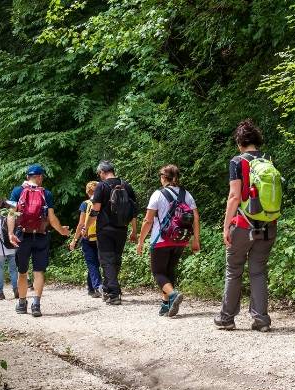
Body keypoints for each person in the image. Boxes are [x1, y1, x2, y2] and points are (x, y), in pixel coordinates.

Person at [214, 119, 278, 332]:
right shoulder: (268, 160)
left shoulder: (237, 161)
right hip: (268, 224)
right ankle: (261, 320)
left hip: (243, 225)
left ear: (240, 142)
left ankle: (227, 318)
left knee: (234, 270)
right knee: (258, 271)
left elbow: (234, 196)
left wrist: (225, 226)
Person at [136, 165, 201, 317]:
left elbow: (148, 220)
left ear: (164, 177)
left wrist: (140, 241)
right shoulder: (187, 194)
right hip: (181, 239)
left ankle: (172, 295)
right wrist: (196, 239)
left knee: (158, 272)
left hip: (161, 239)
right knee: (169, 270)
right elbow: (196, 217)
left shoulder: (158, 194)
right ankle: (166, 304)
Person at [7, 164, 70, 317]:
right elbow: (51, 218)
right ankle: (36, 304)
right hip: (41, 235)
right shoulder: (46, 193)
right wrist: (62, 230)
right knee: (39, 271)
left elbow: (10, 214)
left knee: (22, 272)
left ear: (28, 176)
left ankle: (22, 303)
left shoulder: (17, 191)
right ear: (40, 177)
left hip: (22, 235)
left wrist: (10, 233)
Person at [89, 160, 138, 305]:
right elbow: (133, 211)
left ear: (103, 172)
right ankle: (107, 288)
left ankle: (114, 293)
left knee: (106, 260)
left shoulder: (101, 186)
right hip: (122, 228)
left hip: (105, 229)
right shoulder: (126, 185)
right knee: (115, 259)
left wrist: (86, 226)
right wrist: (134, 231)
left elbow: (95, 210)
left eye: (99, 174)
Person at [69, 181, 102, 298]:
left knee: (92, 263)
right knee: (94, 264)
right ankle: (93, 287)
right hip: (101, 237)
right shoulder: (102, 203)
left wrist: (74, 240)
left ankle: (96, 287)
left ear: (88, 192)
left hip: (87, 237)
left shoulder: (85, 204)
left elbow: (81, 224)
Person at [0, 198, 18, 301]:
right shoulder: (12, 217)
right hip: (12, 248)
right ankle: (16, 290)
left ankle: (0, 293)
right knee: (14, 270)